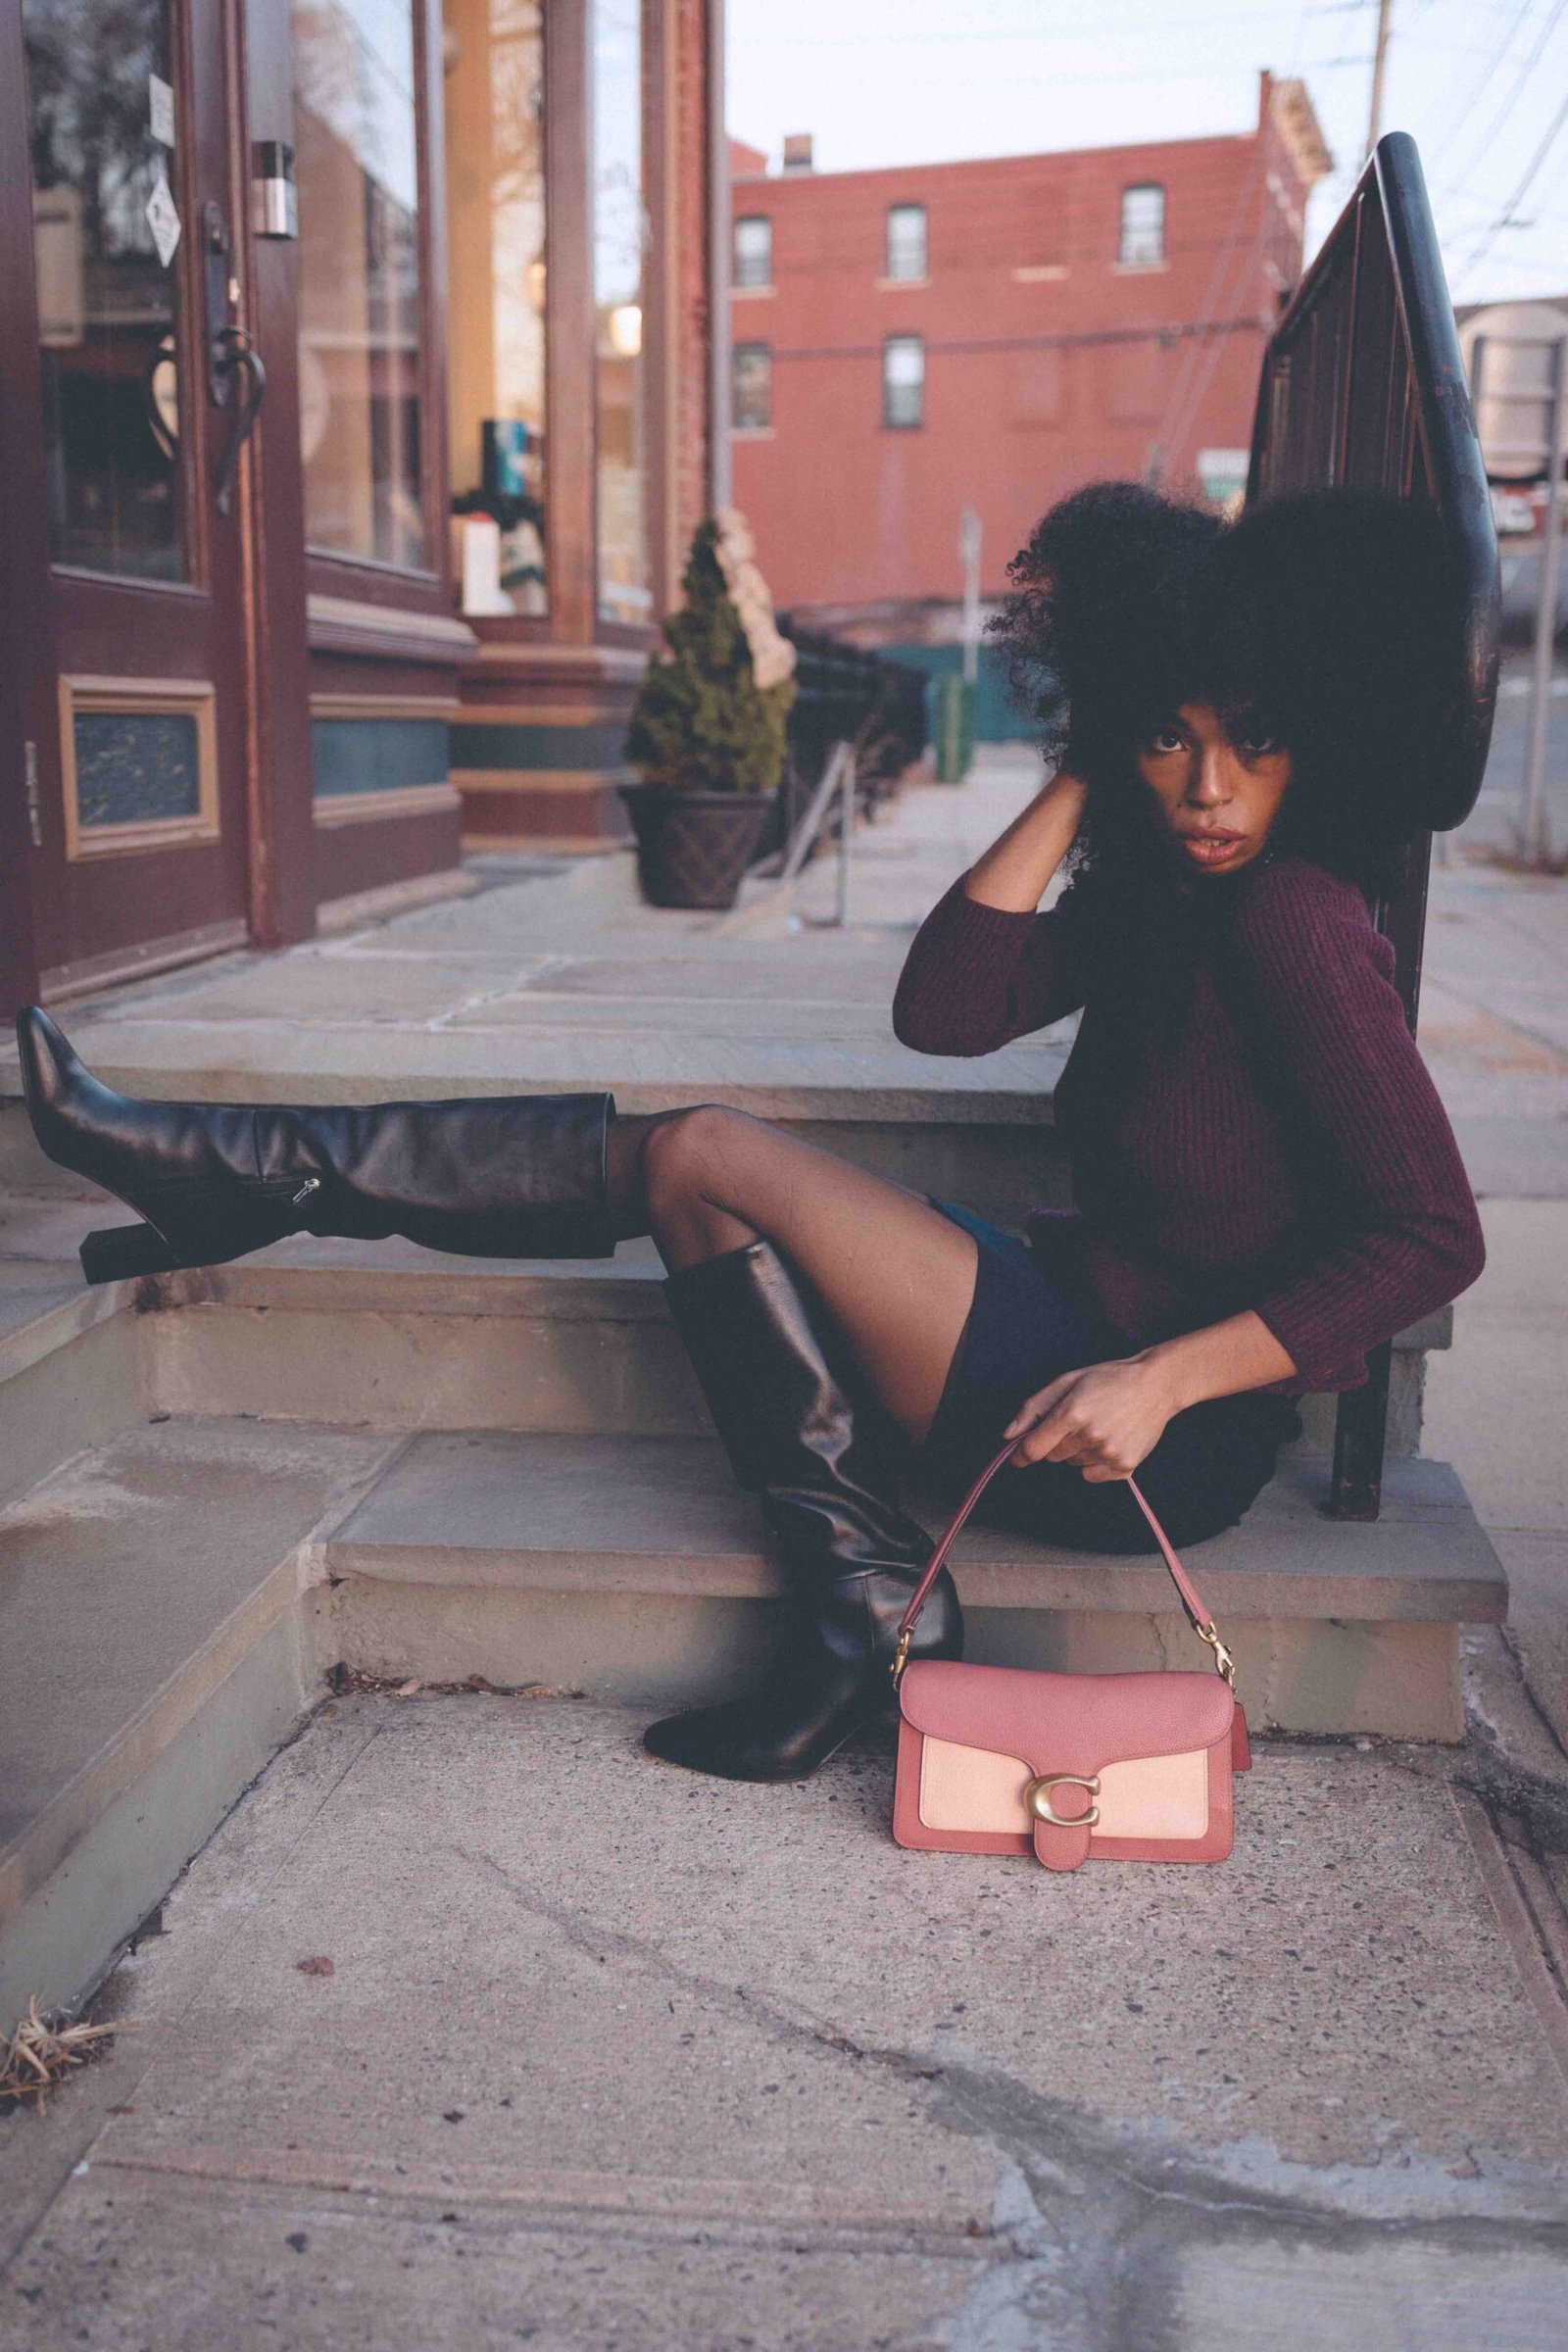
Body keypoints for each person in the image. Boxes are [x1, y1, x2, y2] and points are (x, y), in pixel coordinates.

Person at [14, 484, 1486, 1789]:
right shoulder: (1174, 893)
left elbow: (1431, 1235)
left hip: (1153, 1425)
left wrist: (1167, 1381)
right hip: (1069, 1315)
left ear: (1329, 738)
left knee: (707, 1150)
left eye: (1257, 743)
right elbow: (949, 1008)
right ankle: (857, 1605)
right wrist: (1098, 764)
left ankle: (243, 1175)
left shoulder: (1294, 922)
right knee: (702, 1190)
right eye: (1175, 737)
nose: (1212, 787)